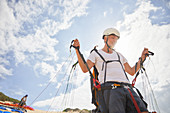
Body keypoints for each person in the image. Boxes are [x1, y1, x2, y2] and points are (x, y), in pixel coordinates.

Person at [73, 28, 149, 113]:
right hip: (110, 89)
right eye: (112, 37)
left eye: (116, 39)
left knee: (143, 111)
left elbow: (131, 71)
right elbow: (84, 68)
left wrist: (142, 58)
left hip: (128, 88)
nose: (114, 40)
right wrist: (77, 50)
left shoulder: (119, 55)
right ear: (105, 38)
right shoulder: (96, 53)